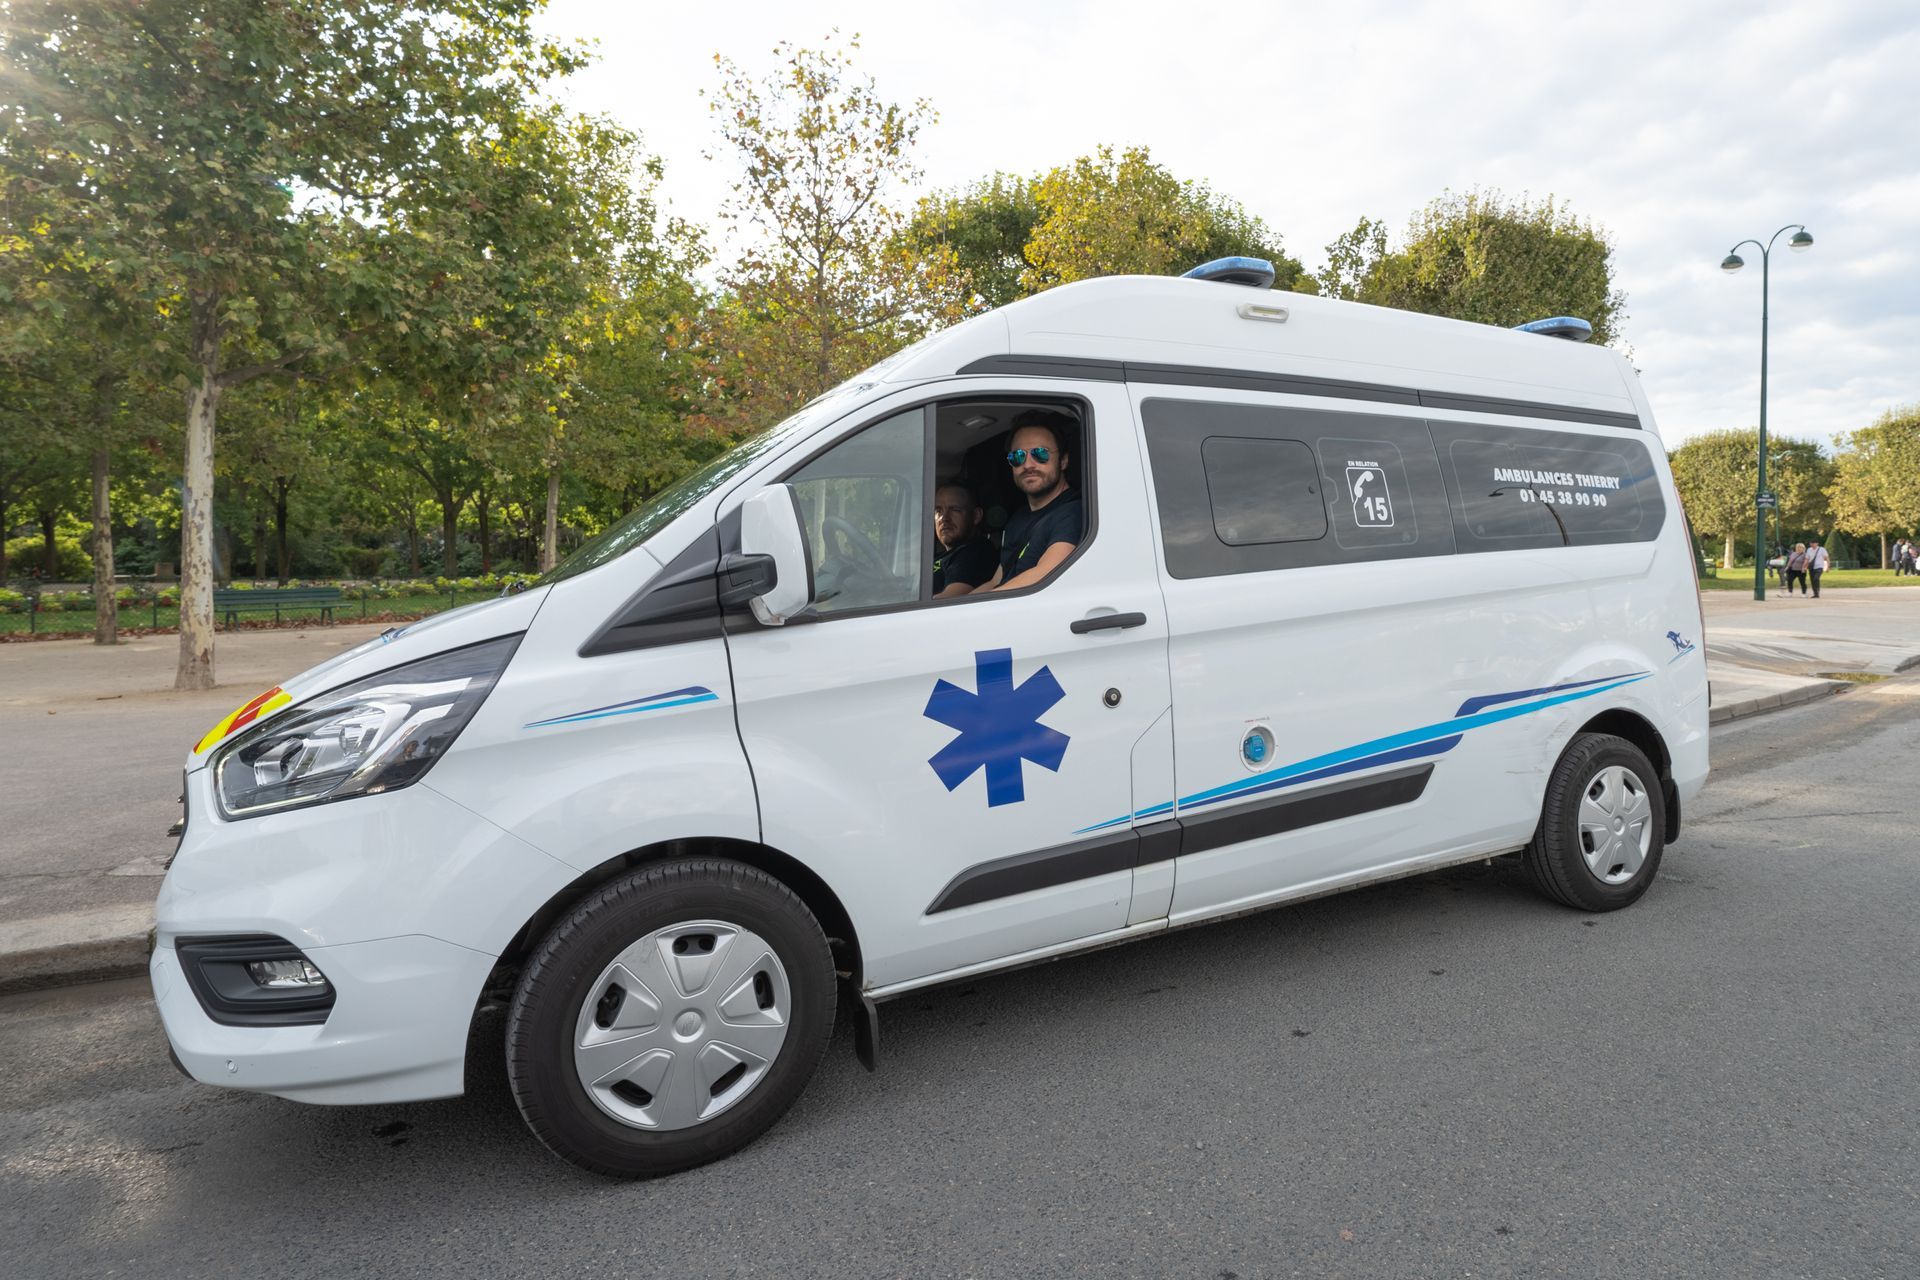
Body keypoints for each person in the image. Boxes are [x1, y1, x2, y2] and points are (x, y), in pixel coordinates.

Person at [984, 411, 1083, 593]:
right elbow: (996, 581)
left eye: (1040, 453)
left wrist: (981, 606)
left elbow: (1047, 573)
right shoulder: (1018, 518)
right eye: (1018, 456)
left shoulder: (1074, 513)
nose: (1028, 464)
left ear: (1063, 461)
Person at [930, 481, 997, 597]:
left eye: (955, 509)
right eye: (938, 510)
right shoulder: (940, 556)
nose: (944, 518)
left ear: (976, 516)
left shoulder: (976, 551)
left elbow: (949, 599)